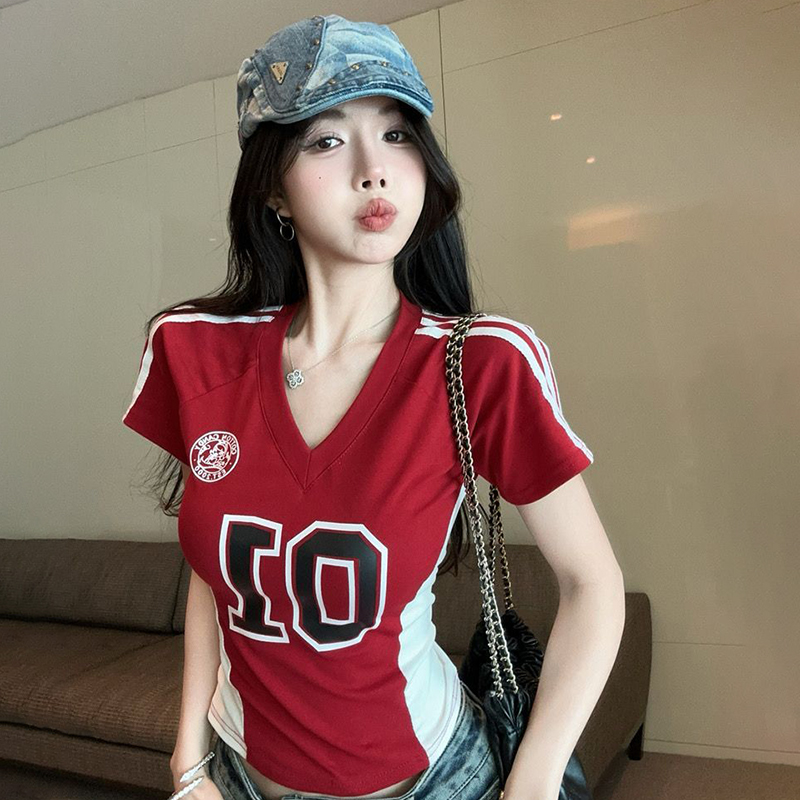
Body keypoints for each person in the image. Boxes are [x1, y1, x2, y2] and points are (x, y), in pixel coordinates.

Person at [121, 13, 603, 800]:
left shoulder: (483, 362)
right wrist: (189, 762)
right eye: (326, 140)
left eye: (397, 134)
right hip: (234, 776)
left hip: (431, 780)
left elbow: (592, 586)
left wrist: (533, 782)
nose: (375, 171)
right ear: (272, 188)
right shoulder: (195, 350)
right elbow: (214, 573)